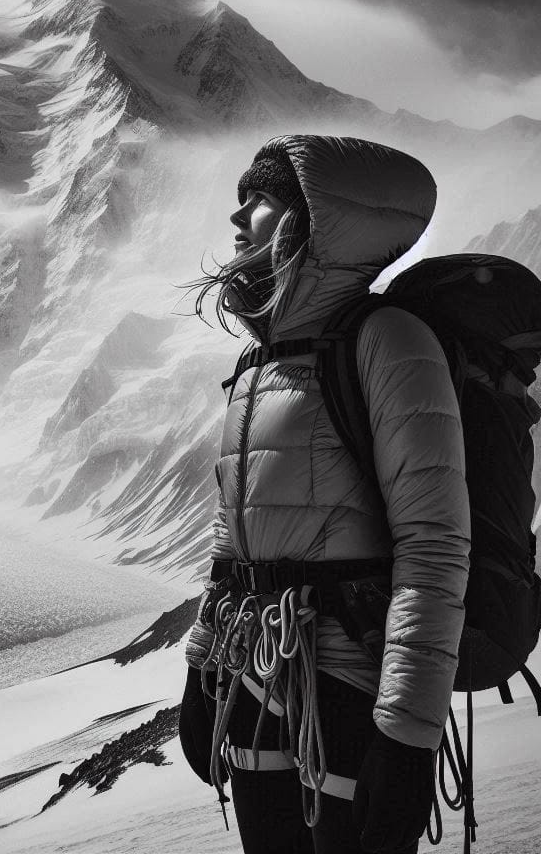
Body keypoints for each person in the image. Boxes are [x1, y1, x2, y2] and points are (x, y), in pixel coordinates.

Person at [178, 135, 471, 854]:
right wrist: (202, 666)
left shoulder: (387, 341)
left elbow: (432, 545)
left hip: (347, 687)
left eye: (261, 197)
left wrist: (406, 736)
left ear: (311, 220)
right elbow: (233, 541)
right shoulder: (259, 360)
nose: (237, 215)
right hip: (255, 676)